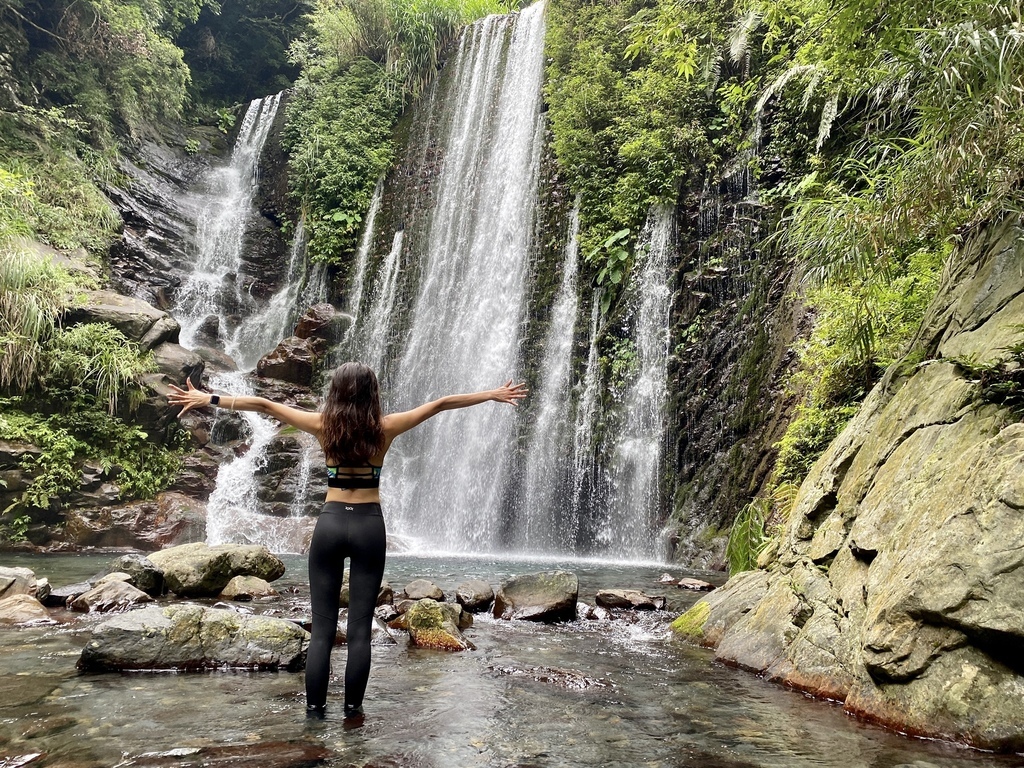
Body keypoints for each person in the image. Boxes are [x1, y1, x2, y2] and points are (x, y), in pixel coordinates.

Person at [168, 363, 527, 721]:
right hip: (369, 526)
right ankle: (353, 713)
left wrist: (207, 398)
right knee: (360, 630)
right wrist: (491, 394)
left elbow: (263, 405)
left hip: (331, 523)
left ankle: (314, 714)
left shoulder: (323, 426)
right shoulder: (385, 428)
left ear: (335, 392)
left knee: (322, 629)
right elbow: (441, 403)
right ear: (373, 393)